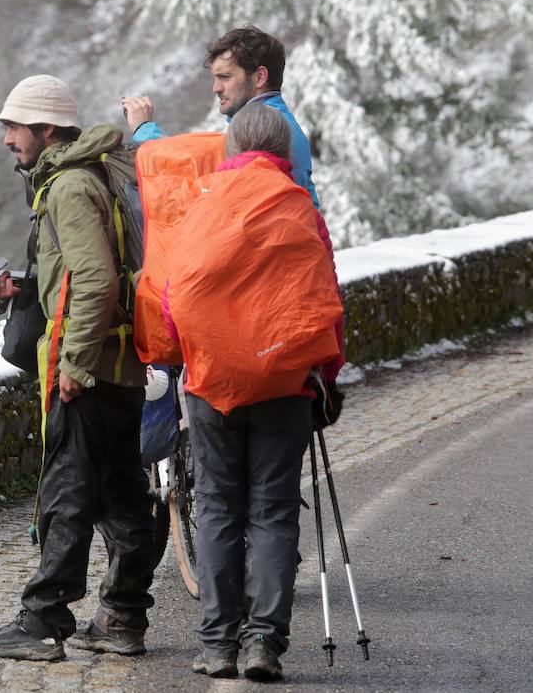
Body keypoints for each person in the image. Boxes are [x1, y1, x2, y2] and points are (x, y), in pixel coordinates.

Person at [0, 74, 156, 662]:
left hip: (88, 367)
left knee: (66, 492)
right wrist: (17, 291)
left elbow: (95, 280)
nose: (6, 140)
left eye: (13, 128)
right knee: (123, 495)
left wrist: (73, 361)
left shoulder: (70, 187)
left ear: (47, 130)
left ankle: (44, 620)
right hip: (119, 362)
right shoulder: (94, 173)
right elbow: (77, 276)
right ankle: (123, 617)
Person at [159, 104, 344, 682]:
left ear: (231, 149)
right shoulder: (299, 207)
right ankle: (264, 641)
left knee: (217, 507)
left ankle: (218, 645)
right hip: (286, 381)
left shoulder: (202, 204)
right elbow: (324, 297)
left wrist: (185, 354)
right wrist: (325, 377)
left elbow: (172, 294)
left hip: (213, 381)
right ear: (284, 153)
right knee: (272, 508)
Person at [121, 24, 320, 208]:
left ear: (259, 77)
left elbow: (192, 171)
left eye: (225, 77)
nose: (216, 88)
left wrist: (143, 129)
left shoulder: (264, 131)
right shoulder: (278, 122)